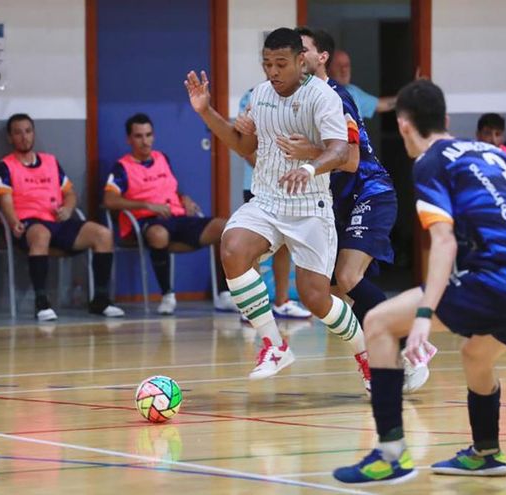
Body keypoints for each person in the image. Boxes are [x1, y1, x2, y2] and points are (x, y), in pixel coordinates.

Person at [333, 80, 506, 483]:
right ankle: (486, 452)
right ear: (445, 119)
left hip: (498, 279)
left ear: (404, 125)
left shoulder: (429, 164)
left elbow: (443, 241)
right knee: (476, 354)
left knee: (377, 322)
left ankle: (390, 456)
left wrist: (423, 316)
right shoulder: (490, 152)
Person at [185, 28, 369, 389]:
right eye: (267, 63)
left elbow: (341, 151)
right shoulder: (260, 95)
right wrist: (206, 111)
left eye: (280, 63)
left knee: (316, 298)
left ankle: (367, 358)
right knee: (232, 248)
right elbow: (243, 145)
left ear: (301, 61)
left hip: (310, 205)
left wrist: (309, 168)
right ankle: (273, 345)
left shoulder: (324, 97)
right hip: (267, 200)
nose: (273, 71)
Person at [283, 26, 432, 393]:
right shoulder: (298, 99)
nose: (297, 56)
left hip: (370, 192)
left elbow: (349, 161)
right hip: (338, 205)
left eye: (304, 49)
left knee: (348, 277)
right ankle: (386, 356)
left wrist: (308, 153)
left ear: (321, 57)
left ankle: (410, 350)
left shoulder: (336, 97)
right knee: (334, 292)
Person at [0, 114, 125, 320]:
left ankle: (101, 299)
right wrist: (13, 221)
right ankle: (41, 302)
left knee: (103, 234)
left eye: (28, 131)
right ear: (10, 138)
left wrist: (68, 209)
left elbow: (70, 193)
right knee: (41, 234)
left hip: (57, 221)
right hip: (28, 224)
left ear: (33, 133)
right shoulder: (4, 167)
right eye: (18, 133)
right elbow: (4, 200)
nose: (24, 137)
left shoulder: (50, 162)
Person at [103, 113, 238, 315]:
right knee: (159, 234)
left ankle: (225, 294)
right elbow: (109, 200)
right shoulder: (122, 167)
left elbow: (169, 188)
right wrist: (147, 205)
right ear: (129, 139)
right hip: (146, 221)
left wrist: (184, 198)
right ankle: (167, 295)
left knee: (226, 227)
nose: (145, 141)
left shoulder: (162, 158)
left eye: (148, 135)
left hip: (176, 216)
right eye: (139, 136)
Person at [237, 89, 311, 320]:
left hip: (285, 183)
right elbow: (244, 145)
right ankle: (253, 306)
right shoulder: (253, 96)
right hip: (257, 184)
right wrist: (267, 171)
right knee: (252, 244)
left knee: (284, 242)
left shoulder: (300, 96)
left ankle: (282, 301)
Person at [328, 49, 396, 121]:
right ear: (327, 69)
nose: (344, 70)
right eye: (338, 65)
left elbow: (383, 105)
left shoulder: (352, 91)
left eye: (347, 65)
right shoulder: (323, 94)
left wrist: (403, 97)